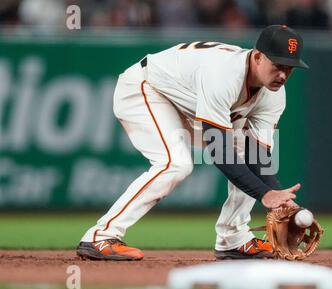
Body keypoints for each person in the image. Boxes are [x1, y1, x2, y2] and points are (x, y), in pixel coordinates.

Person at [76, 25, 309, 261]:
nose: (283, 75)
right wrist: (264, 194)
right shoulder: (224, 74)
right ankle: (101, 236)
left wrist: (280, 201)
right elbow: (219, 150)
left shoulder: (275, 94)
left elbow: (258, 155)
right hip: (147, 88)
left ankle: (234, 239)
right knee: (175, 164)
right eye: (278, 65)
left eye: (290, 68)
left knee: (247, 159)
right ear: (257, 56)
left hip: (189, 105)